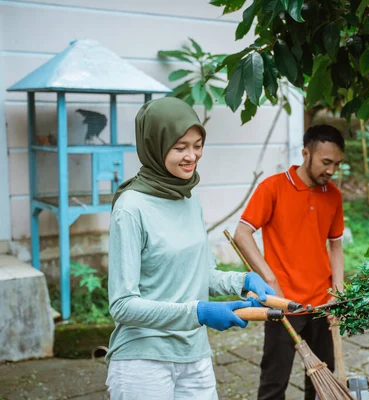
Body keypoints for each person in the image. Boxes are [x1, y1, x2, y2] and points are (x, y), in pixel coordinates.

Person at [105, 97, 275, 400]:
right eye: (180, 146)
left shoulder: (187, 197)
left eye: (197, 145)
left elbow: (202, 273)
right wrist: (199, 312)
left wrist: (241, 281)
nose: (191, 156)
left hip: (194, 354)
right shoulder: (131, 208)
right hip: (144, 358)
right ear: (154, 145)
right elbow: (122, 305)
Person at [234, 124, 346, 400]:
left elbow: (336, 245)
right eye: (326, 162)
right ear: (305, 153)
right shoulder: (273, 187)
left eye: (337, 164)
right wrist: (270, 281)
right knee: (274, 382)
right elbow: (242, 233)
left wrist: (339, 292)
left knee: (322, 382)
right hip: (283, 304)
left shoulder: (333, 195)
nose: (331, 170)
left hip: (321, 304)